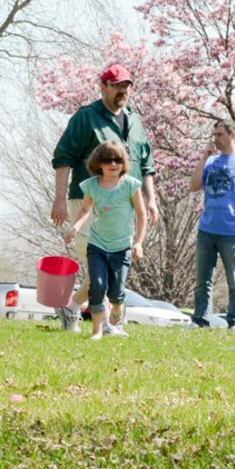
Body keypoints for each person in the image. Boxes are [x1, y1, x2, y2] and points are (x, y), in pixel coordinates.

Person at [49, 64, 156, 332]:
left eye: (127, 85)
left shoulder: (135, 121)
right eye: (118, 85)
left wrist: (150, 199)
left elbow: (145, 165)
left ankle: (72, 307)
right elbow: (63, 158)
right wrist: (59, 199)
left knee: (112, 264)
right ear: (103, 86)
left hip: (123, 206)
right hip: (88, 201)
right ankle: (107, 324)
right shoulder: (86, 118)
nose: (124, 90)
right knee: (99, 262)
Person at [62, 140, 147, 340]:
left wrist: (138, 242)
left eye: (117, 159)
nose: (113, 164)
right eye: (107, 160)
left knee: (116, 293)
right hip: (98, 245)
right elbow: (85, 209)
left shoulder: (130, 185)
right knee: (98, 285)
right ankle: (97, 330)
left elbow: (142, 215)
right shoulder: (92, 186)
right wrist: (74, 227)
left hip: (121, 246)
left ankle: (115, 324)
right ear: (98, 163)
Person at [189, 120, 235, 328]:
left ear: (233, 135)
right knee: (203, 279)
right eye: (215, 135)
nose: (216, 139)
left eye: (220, 134)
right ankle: (200, 319)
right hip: (207, 228)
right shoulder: (211, 162)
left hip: (233, 231)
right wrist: (203, 158)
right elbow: (193, 186)